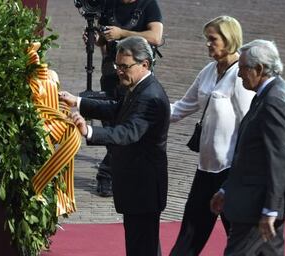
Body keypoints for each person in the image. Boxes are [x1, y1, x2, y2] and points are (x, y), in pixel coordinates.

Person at [60, 36, 170, 256]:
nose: (119, 71)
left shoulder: (151, 96)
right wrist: (78, 102)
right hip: (135, 185)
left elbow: (127, 132)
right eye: (117, 65)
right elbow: (115, 110)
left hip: (144, 187)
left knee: (143, 245)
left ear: (144, 64)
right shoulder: (138, 86)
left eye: (124, 66)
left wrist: (89, 131)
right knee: (141, 244)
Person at [168, 16, 255, 256]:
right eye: (207, 39)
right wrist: (143, 111)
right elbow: (182, 107)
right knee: (189, 236)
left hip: (230, 173)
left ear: (229, 40)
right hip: (205, 169)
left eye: (213, 39)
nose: (208, 44)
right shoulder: (208, 70)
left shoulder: (241, 76)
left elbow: (249, 126)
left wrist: (238, 175)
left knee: (239, 241)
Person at [210, 39, 285, 256]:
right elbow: (250, 155)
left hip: (257, 204)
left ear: (259, 69)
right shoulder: (270, 95)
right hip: (259, 199)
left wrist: (270, 209)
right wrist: (226, 189)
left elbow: (278, 158)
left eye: (242, 68)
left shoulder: (274, 101)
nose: (239, 74)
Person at [92, 0, 163, 197]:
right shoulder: (108, 4)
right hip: (111, 73)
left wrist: (122, 33)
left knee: (124, 125)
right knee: (110, 124)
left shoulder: (148, 5)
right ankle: (115, 170)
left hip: (135, 76)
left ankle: (106, 173)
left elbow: (156, 37)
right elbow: (103, 41)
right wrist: (96, 39)